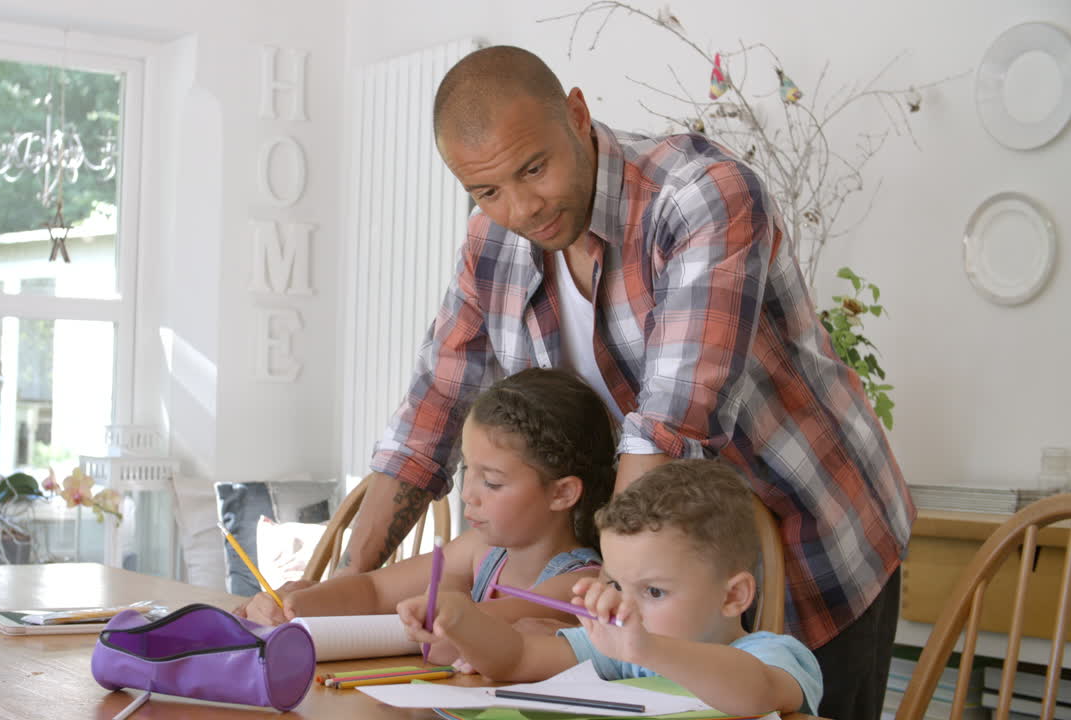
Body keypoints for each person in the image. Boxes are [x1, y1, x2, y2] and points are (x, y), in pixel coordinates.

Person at [331, 45, 912, 720]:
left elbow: (668, 424)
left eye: (534, 168)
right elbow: (431, 409)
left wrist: (597, 594)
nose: (520, 208)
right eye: (488, 191)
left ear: (577, 116)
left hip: (807, 537)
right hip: (647, 583)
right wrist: (351, 582)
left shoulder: (701, 196)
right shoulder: (490, 242)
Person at [244, 368, 616, 666]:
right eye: (467, 470)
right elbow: (373, 590)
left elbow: (453, 637)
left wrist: (448, 605)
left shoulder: (580, 585)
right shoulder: (480, 549)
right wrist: (293, 606)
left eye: (491, 482)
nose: (468, 493)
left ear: (563, 493)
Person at [398, 459, 823, 717]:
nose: (625, 605)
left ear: (733, 596)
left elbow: (756, 694)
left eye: (654, 592)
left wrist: (644, 649)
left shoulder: (773, 656)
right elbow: (518, 657)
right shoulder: (625, 649)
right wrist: (459, 619)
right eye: (617, 583)